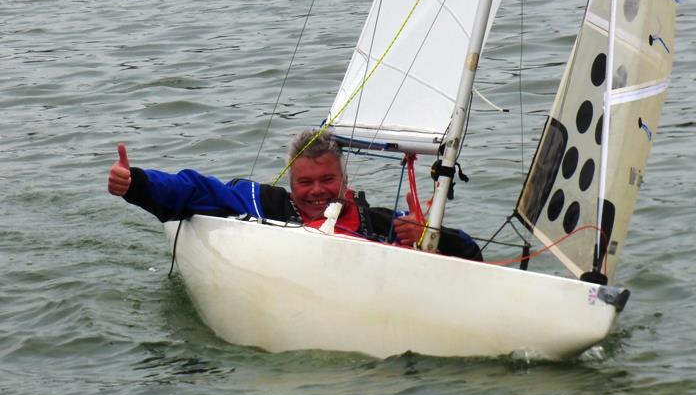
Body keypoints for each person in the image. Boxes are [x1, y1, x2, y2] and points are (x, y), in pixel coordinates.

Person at [108, 129, 482, 261]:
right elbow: (195, 188)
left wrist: (425, 236)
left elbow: (470, 253)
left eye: (327, 179)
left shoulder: (378, 222)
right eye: (305, 182)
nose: (317, 191)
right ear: (291, 182)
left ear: (344, 179)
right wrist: (138, 183)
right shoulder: (260, 202)